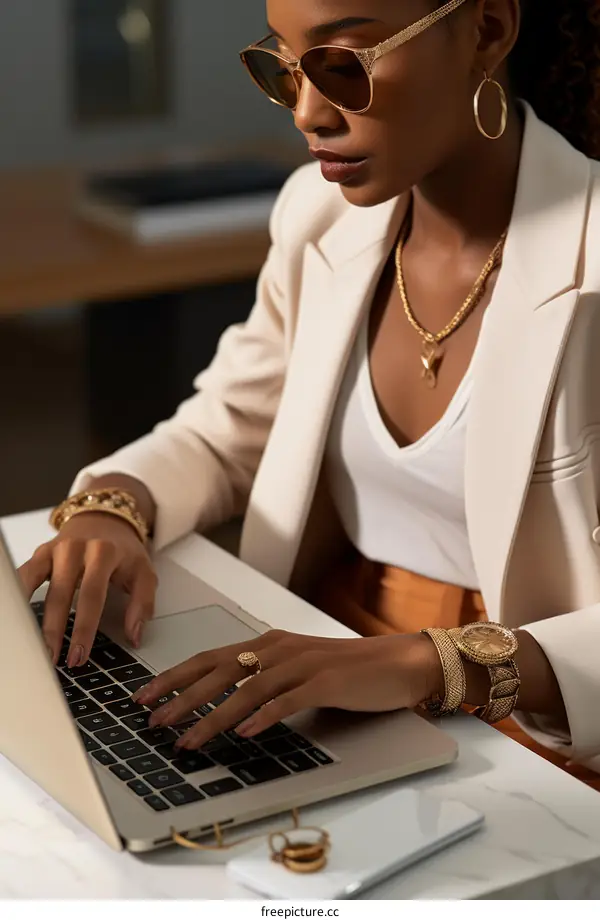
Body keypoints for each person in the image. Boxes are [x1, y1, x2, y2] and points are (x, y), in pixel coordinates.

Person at [19, 0, 600, 785]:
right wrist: (114, 505)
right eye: (286, 67)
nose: (307, 113)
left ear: (489, 31)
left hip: (540, 723)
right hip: (316, 669)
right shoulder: (318, 215)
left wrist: (426, 664)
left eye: (343, 65)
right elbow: (230, 427)